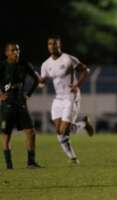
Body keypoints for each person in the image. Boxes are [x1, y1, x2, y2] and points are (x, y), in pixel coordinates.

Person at [39, 35, 94, 164]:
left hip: (71, 96)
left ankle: (84, 125)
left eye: (55, 44)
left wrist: (77, 85)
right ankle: (73, 157)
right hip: (58, 99)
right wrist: (40, 82)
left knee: (64, 130)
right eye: (50, 44)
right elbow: (42, 82)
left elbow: (86, 71)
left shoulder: (68, 59)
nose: (52, 46)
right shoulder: (46, 64)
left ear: (59, 45)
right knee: (59, 131)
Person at [0, 42, 41, 169]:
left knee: (31, 132)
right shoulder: (3, 66)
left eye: (17, 50)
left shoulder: (24, 64)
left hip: (21, 104)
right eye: (13, 50)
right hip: (7, 105)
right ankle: (9, 165)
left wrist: (28, 95)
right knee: (6, 134)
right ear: (7, 53)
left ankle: (31, 162)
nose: (16, 52)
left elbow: (36, 79)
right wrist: (0, 94)